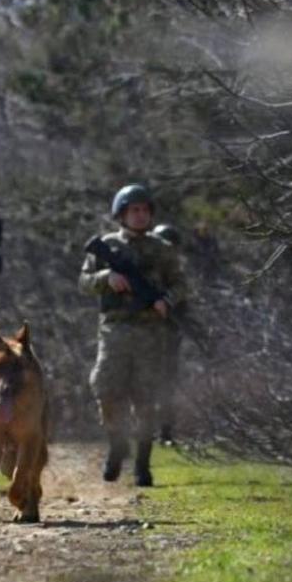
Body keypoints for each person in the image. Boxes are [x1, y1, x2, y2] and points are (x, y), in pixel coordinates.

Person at [78, 185, 188, 487]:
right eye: (133, 210)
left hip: (151, 332)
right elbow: (84, 281)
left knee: (146, 398)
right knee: (106, 388)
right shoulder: (107, 245)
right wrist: (106, 278)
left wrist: (166, 301)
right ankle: (116, 443)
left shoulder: (162, 249)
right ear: (122, 214)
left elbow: (181, 284)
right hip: (114, 330)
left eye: (144, 210)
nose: (140, 216)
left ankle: (142, 463)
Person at [150, 223, 184, 445]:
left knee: (167, 386)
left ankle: (165, 433)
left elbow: (183, 302)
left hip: (168, 336)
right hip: (144, 336)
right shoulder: (147, 271)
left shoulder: (176, 276)